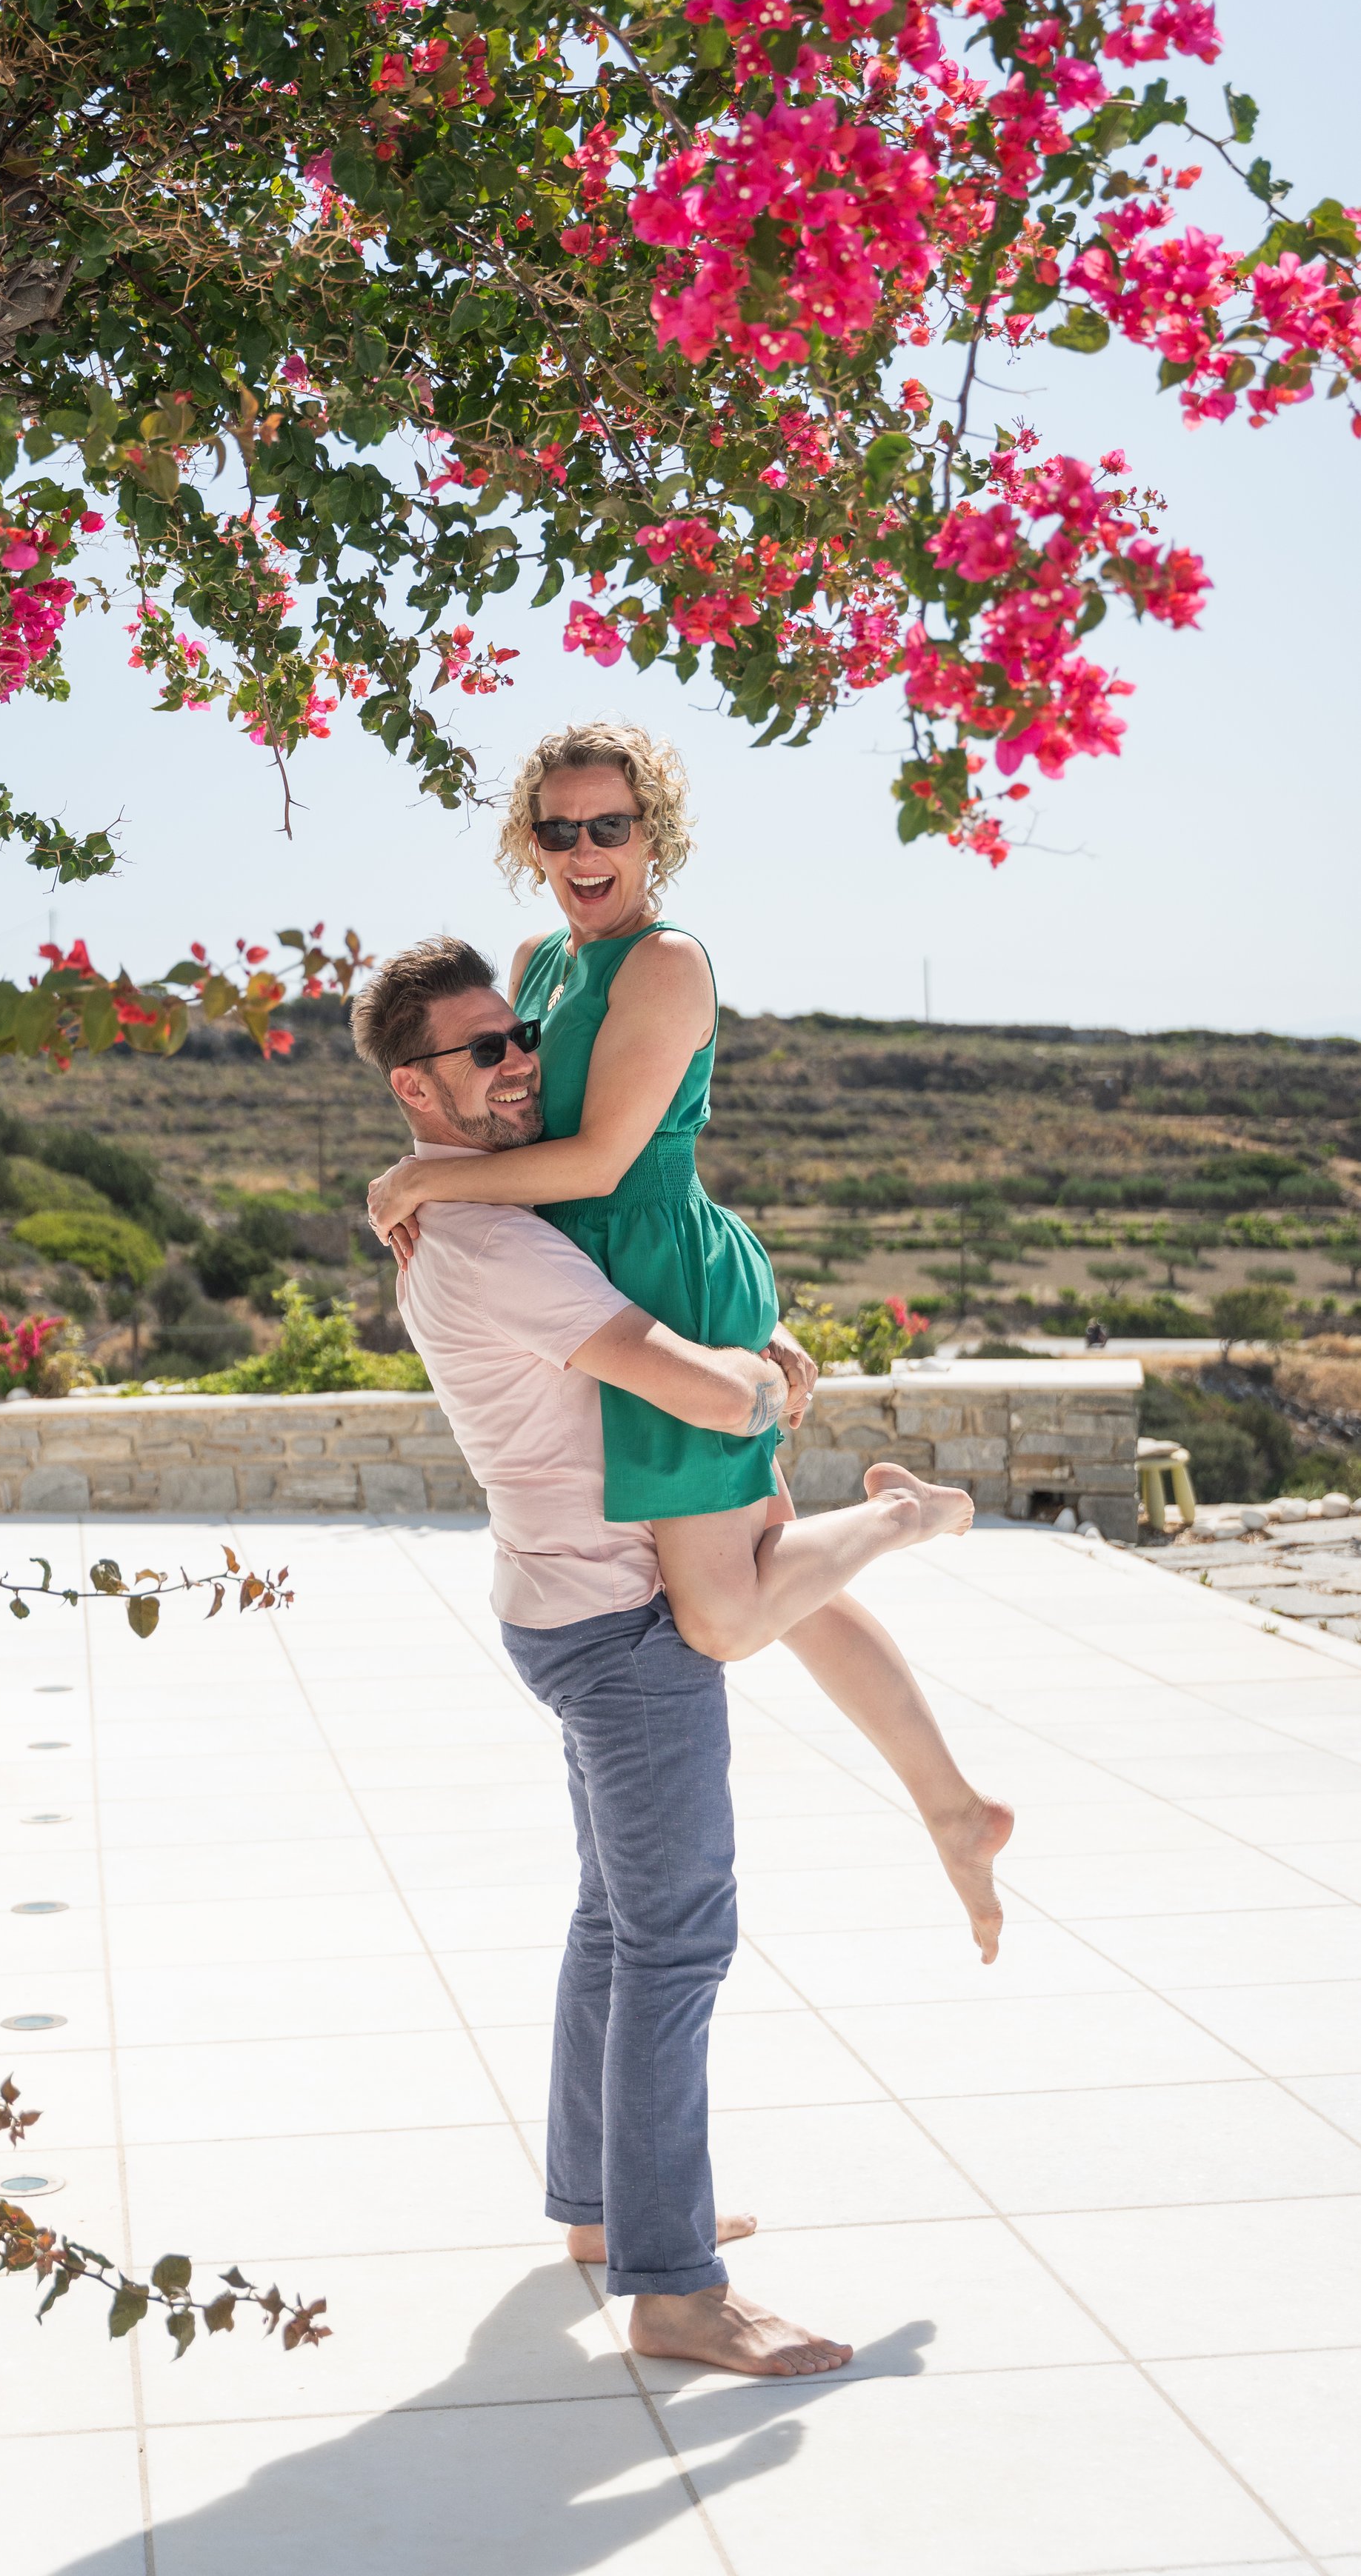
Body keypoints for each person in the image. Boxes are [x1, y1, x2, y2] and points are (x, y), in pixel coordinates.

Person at [350, 935, 1011, 2380]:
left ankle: (600, 2212)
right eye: (484, 1052)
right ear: (413, 1083)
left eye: (522, 1037)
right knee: (675, 1942)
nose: (519, 1062)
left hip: (562, 1610)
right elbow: (699, 1392)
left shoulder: (481, 1219)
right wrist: (767, 1373)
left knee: (614, 1922)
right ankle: (670, 2286)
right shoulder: (495, 1244)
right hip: (617, 1633)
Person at [367, 718, 979, 1666]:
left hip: (656, 1266)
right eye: (559, 829)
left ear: (653, 835)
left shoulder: (664, 961)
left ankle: (902, 1513)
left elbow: (607, 1163)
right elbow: (491, 1096)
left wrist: (420, 1182)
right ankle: (959, 1814)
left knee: (723, 1612)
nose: (584, 850)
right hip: (600, 1270)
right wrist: (431, 1189)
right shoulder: (539, 960)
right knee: (778, 1570)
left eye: (610, 826)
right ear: (530, 842)